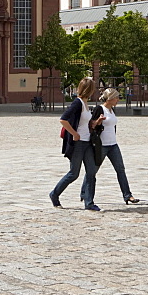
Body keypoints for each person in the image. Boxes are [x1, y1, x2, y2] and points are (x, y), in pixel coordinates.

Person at [49, 77, 102, 212]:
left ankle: (89, 202)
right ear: (89, 89)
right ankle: (54, 194)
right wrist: (74, 133)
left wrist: (96, 123)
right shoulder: (77, 103)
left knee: (91, 172)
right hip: (78, 143)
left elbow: (85, 123)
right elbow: (63, 120)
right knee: (74, 173)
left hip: (88, 142)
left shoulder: (85, 103)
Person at [92, 88, 140, 204]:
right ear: (110, 98)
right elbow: (92, 125)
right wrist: (99, 121)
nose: (118, 100)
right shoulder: (100, 109)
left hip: (113, 145)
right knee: (92, 171)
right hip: (102, 145)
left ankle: (127, 195)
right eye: (116, 97)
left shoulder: (112, 110)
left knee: (120, 169)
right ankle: (85, 193)